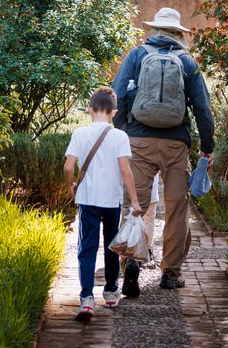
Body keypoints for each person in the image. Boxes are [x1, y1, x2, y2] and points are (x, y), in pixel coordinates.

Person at [112, 7, 215, 294]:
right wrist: (207, 147)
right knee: (177, 209)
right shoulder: (187, 61)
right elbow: (203, 110)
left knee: (136, 205)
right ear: (177, 33)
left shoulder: (136, 55)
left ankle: (130, 260)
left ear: (155, 30)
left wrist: (124, 133)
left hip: (139, 143)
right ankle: (170, 273)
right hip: (175, 145)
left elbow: (117, 95)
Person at [64, 87, 142, 321]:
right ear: (114, 112)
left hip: (87, 200)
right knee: (111, 245)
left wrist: (71, 185)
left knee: (86, 248)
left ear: (89, 109)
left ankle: (87, 299)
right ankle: (110, 292)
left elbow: (68, 167)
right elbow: (125, 171)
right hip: (111, 201)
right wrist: (135, 201)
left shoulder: (79, 133)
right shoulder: (120, 136)